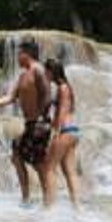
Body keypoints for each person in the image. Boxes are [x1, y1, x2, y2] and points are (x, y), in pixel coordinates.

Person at [0, 40, 52, 205]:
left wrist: (43, 117)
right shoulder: (22, 76)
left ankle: (48, 202)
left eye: (19, 54)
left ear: (27, 54)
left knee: (39, 163)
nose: (17, 57)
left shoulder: (38, 70)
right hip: (30, 124)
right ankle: (26, 198)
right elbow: (10, 98)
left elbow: (47, 93)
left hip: (39, 123)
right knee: (17, 155)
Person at [44, 58, 81, 209]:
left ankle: (49, 208)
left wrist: (55, 132)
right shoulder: (67, 87)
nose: (44, 74)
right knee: (70, 171)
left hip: (64, 131)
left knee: (49, 169)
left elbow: (63, 110)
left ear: (51, 72)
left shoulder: (62, 88)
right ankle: (77, 208)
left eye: (46, 71)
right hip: (73, 131)